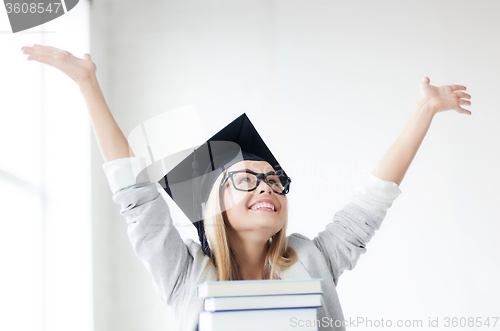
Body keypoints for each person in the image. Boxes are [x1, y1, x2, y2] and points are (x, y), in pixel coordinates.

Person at [22, 45, 472, 331]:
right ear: (213, 206)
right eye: (247, 179)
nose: (268, 187)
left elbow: (372, 200)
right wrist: (87, 83)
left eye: (274, 180)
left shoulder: (313, 261)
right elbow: (135, 197)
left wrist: (425, 111)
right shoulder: (185, 274)